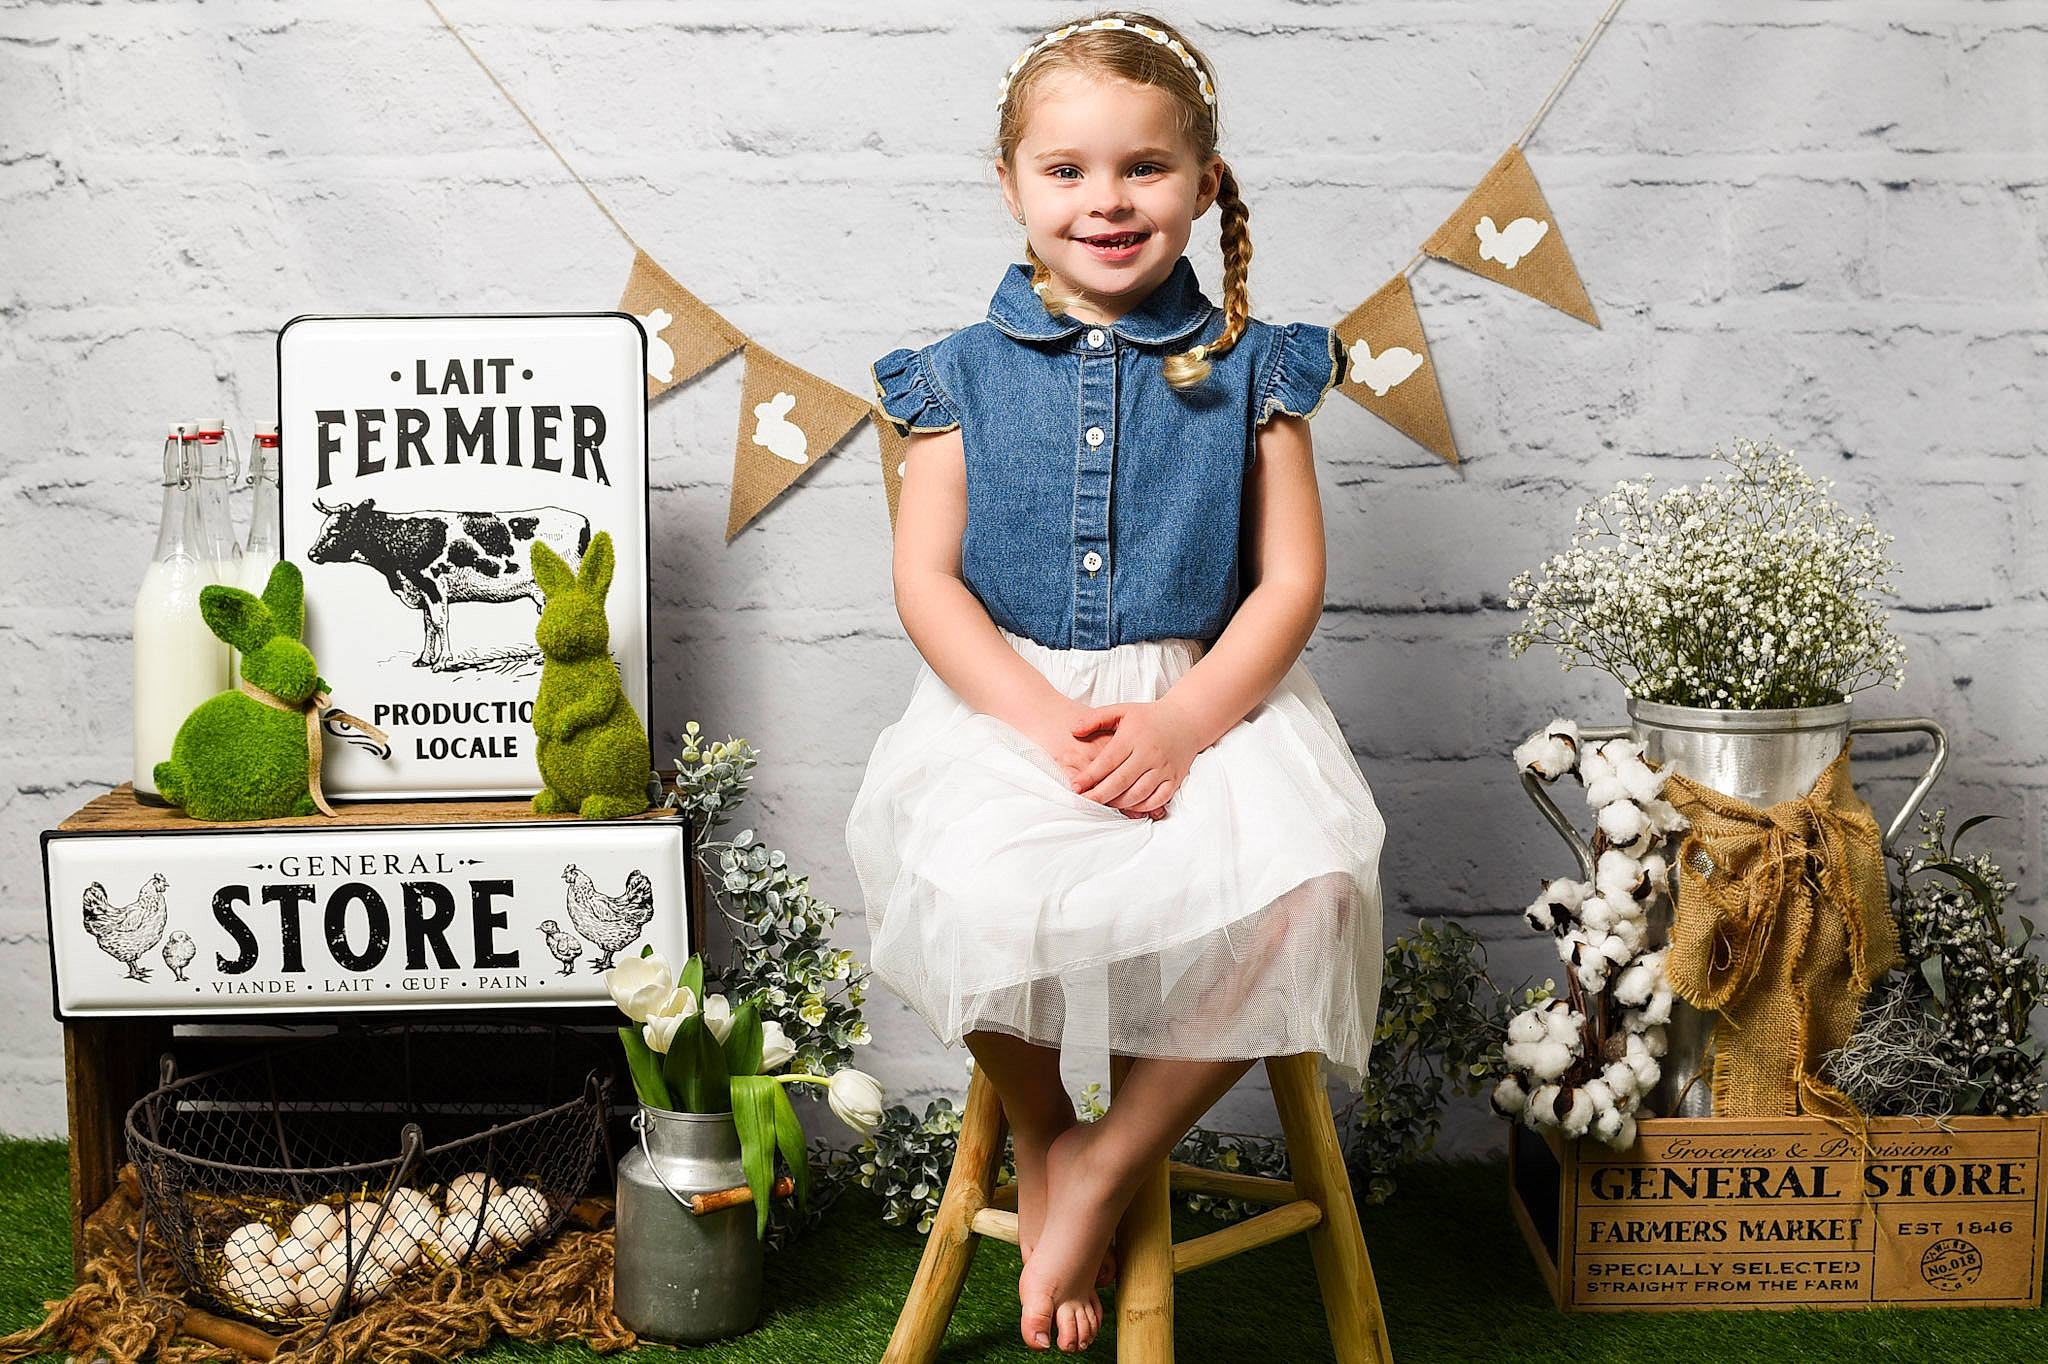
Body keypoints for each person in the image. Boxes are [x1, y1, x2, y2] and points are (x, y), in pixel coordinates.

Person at [845, 12, 1385, 1354]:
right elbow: (928, 583)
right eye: (1068, 170)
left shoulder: (1263, 369)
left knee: (1310, 881)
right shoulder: (952, 378)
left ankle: (1104, 1156)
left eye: (1144, 169)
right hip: (1013, 704)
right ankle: (1041, 1131)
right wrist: (1041, 721)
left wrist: (1187, 722)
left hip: (1211, 704)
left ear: (1204, 184)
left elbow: (1291, 584)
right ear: (1013, 183)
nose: (1107, 200)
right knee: (967, 882)